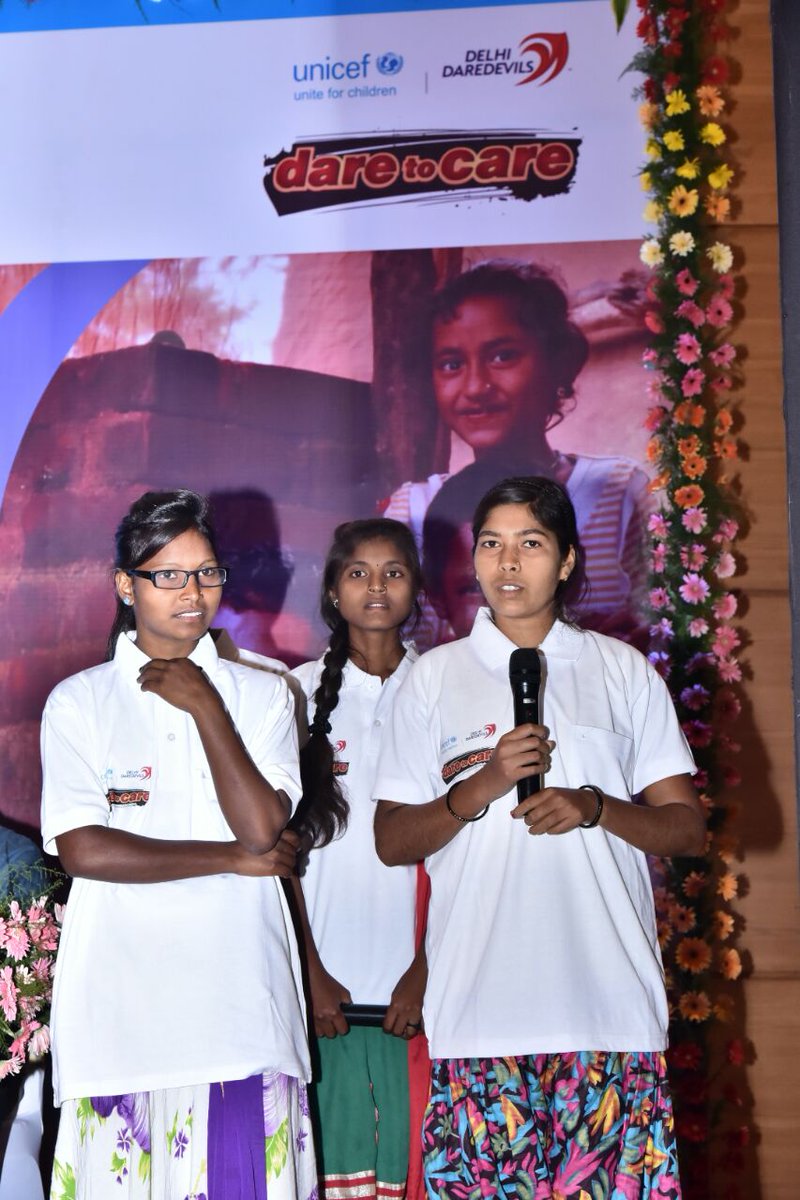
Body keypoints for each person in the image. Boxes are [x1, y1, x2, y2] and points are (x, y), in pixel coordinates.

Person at [374, 477, 705, 1199]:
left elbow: (686, 828)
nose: (508, 563)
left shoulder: (621, 671)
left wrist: (596, 806)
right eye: (491, 544)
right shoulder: (431, 680)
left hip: (609, 1020)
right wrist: (480, 788)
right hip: (478, 1021)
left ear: (566, 563)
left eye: (530, 544)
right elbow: (393, 840)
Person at [40, 490, 316, 1200]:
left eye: (207, 573)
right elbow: (82, 850)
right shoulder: (80, 701)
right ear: (125, 586)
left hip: (242, 1021)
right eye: (168, 575)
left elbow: (260, 828)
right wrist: (225, 859)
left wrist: (204, 705)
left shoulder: (266, 695)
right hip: (119, 1028)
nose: (192, 594)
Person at [383, 261, 651, 647]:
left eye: (502, 356)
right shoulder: (414, 509)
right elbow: (398, 661)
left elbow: (662, 637)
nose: (475, 386)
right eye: (451, 364)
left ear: (558, 362)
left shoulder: (618, 491)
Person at [289, 518, 427, 1200]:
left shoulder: (447, 689)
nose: (376, 587)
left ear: (417, 589)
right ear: (333, 592)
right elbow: (276, 858)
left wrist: (428, 971)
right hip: (326, 999)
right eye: (357, 573)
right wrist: (308, 972)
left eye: (393, 572)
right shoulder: (288, 695)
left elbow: (474, 860)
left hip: (422, 998)